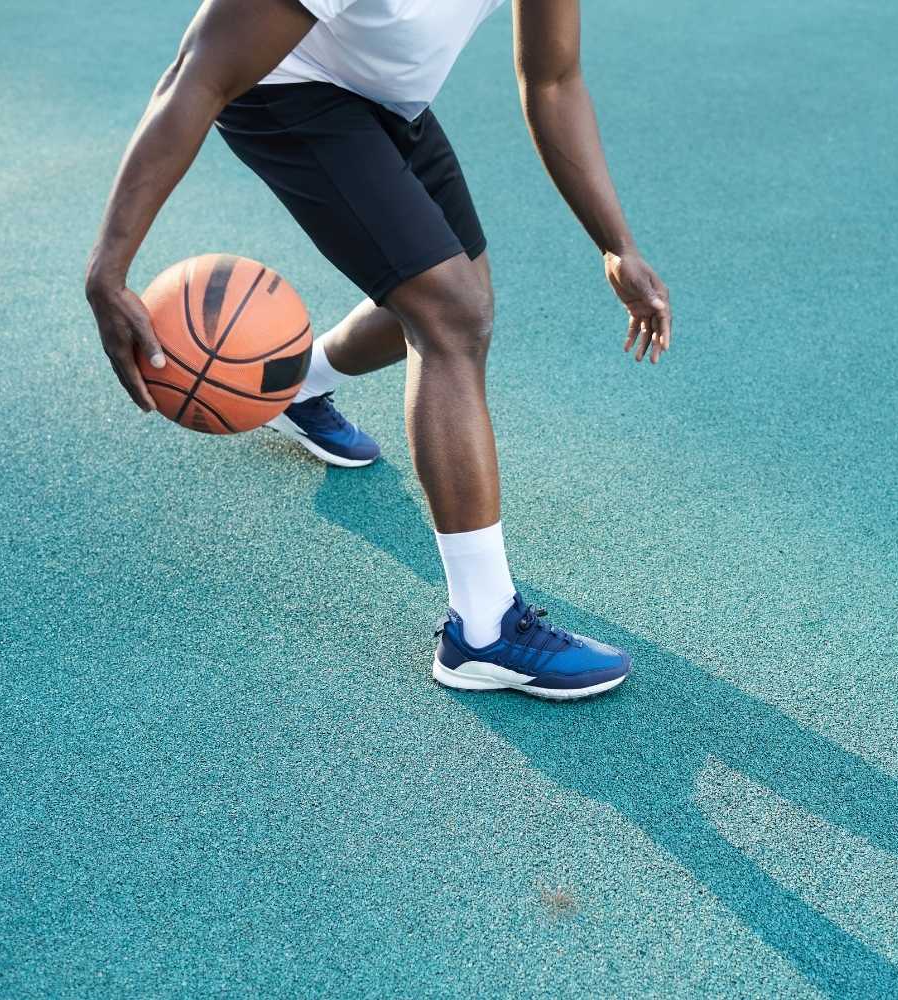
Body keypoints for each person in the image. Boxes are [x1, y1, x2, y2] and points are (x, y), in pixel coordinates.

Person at [85, 0, 672, 700]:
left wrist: (616, 244)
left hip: (387, 99)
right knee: (451, 316)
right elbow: (199, 74)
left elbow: (554, 79)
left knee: (457, 300)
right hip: (285, 90)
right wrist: (109, 268)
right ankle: (482, 631)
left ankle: (296, 385)